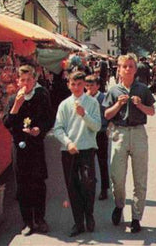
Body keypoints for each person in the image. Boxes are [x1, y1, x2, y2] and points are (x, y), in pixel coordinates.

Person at [103, 54, 155, 233]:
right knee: (117, 177)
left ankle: (136, 217)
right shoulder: (114, 90)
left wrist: (140, 106)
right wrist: (118, 105)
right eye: (124, 66)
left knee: (140, 178)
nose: (127, 69)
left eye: (131, 66)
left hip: (138, 132)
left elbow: (152, 112)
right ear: (119, 69)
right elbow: (107, 115)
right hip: (120, 133)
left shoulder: (142, 89)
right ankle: (119, 205)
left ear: (135, 69)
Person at [3, 64, 53, 235]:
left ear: (34, 80)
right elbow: (7, 123)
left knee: (38, 183)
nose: (26, 83)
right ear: (17, 81)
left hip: (36, 145)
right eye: (22, 80)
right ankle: (28, 222)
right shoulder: (12, 99)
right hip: (19, 146)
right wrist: (16, 105)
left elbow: (49, 119)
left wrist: (40, 129)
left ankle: (40, 219)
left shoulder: (42, 95)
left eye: (29, 80)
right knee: (22, 186)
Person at [54, 71, 101, 237]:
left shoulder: (92, 103)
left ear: (84, 86)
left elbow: (96, 126)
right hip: (69, 150)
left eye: (80, 84)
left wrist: (84, 115)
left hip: (87, 148)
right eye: (73, 84)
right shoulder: (64, 105)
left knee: (88, 182)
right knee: (72, 186)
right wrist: (68, 143)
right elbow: (57, 129)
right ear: (68, 85)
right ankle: (78, 222)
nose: (76, 88)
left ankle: (89, 214)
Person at [85, 74, 110, 201]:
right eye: (87, 86)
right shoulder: (84, 99)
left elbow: (109, 115)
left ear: (98, 86)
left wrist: (109, 128)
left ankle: (104, 188)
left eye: (92, 85)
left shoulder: (103, 98)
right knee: (88, 162)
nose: (89, 88)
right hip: (88, 134)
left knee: (102, 161)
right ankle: (90, 187)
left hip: (100, 133)